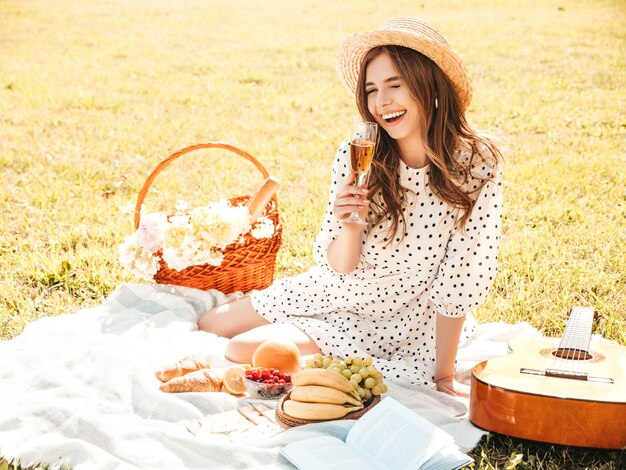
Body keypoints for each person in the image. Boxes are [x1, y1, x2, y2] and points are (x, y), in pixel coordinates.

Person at [198, 17, 503, 398]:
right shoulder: (358, 152)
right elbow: (338, 265)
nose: (381, 102)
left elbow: (462, 275)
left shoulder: (474, 165)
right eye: (372, 90)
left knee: (242, 350)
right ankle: (307, 335)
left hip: (399, 314)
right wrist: (351, 225)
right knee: (211, 323)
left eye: (395, 85)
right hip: (338, 287)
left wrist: (443, 375)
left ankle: (319, 350)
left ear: (430, 84)